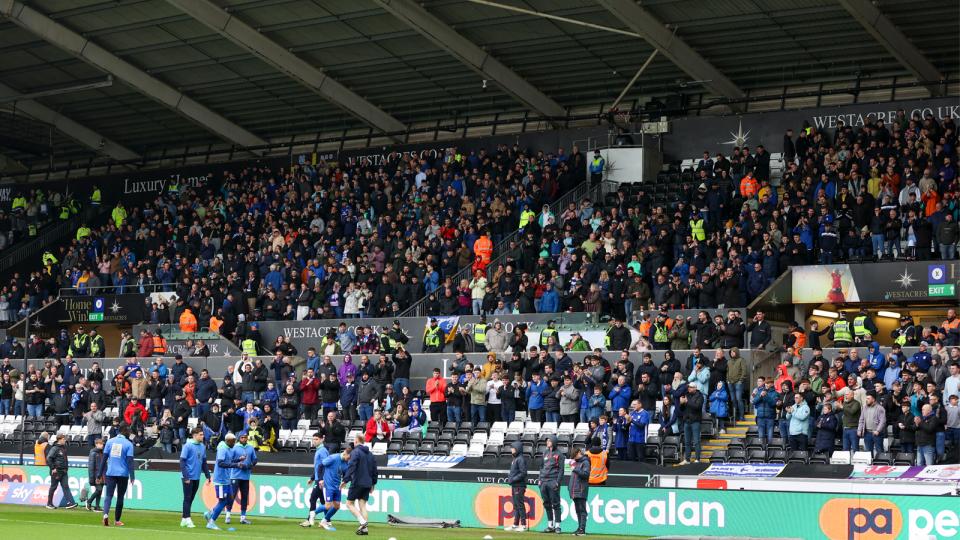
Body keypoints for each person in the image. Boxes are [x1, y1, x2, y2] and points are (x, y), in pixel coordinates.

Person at [204, 432, 245, 530]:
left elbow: (229, 462)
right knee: (222, 502)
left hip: (226, 479)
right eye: (233, 441)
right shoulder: (222, 449)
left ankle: (210, 513)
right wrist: (236, 465)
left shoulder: (229, 449)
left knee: (230, 499)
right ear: (228, 441)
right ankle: (211, 522)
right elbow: (221, 463)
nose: (235, 443)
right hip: (221, 480)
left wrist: (238, 460)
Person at [342, 434, 378, 536]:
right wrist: (373, 483)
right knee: (362, 506)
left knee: (349, 504)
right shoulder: (370, 454)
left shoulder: (355, 452)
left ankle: (362, 522)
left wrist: (345, 480)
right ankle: (364, 529)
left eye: (354, 440)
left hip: (357, 482)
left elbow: (352, 466)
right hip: (367, 483)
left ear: (356, 441)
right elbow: (374, 470)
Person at [100, 425, 135, 526]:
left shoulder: (110, 441)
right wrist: (132, 476)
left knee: (108, 496)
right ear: (126, 432)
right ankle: (117, 520)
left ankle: (105, 515)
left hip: (110, 473)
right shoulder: (128, 444)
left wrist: (99, 474)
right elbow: (130, 462)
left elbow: (104, 459)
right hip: (123, 474)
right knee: (120, 497)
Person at [179, 427, 210, 528]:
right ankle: (188, 519)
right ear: (195, 435)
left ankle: (184, 519)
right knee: (187, 498)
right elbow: (182, 461)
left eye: (202, 434)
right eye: (201, 434)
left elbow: (204, 462)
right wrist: (186, 476)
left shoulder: (202, 446)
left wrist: (207, 474)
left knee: (191, 499)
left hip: (197, 477)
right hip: (188, 477)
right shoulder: (188, 446)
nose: (202, 436)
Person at [317, 445, 352, 531]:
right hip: (328, 485)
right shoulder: (333, 458)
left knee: (337, 506)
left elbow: (345, 474)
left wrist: (344, 481)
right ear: (345, 453)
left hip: (337, 486)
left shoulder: (346, 463)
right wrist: (321, 479)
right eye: (349, 457)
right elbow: (320, 466)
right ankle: (312, 513)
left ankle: (324, 521)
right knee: (328, 506)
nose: (349, 460)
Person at [227, 431, 258, 525]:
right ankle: (228, 515)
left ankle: (243, 517)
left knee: (245, 497)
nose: (244, 439)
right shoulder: (235, 447)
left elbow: (255, 459)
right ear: (239, 438)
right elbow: (230, 461)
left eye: (245, 437)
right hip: (235, 476)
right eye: (242, 437)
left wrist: (250, 465)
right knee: (232, 496)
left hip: (246, 476)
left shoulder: (250, 448)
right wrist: (238, 464)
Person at [301, 432, 328, 528]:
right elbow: (318, 467)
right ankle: (327, 520)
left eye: (316, 439)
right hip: (318, 479)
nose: (314, 441)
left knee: (312, 498)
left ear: (322, 439)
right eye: (313, 439)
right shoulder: (319, 450)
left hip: (321, 480)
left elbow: (325, 465)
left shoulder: (323, 451)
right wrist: (312, 478)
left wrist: (321, 479)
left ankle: (310, 520)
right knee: (323, 502)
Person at [538, 435, 564, 534]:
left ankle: (557, 526)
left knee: (556, 504)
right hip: (543, 482)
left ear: (553, 441)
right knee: (547, 504)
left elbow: (561, 470)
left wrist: (557, 482)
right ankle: (550, 525)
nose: (547, 442)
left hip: (553, 481)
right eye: (547, 441)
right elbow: (541, 467)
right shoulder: (544, 452)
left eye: (549, 440)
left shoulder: (559, 454)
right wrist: (539, 480)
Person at [45, 433, 78, 509]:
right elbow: (48, 458)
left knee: (65, 486)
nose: (65, 440)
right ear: (59, 439)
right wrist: (53, 468)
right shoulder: (55, 448)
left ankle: (70, 503)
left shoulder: (63, 448)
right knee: (53, 487)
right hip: (56, 471)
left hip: (63, 471)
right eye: (63, 439)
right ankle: (49, 503)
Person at [505, 440, 528, 532]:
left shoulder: (520, 459)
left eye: (513, 448)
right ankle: (515, 524)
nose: (511, 450)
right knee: (516, 505)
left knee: (520, 505)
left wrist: (512, 479)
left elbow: (523, 473)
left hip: (519, 485)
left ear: (517, 449)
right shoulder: (516, 459)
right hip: (515, 485)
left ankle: (523, 525)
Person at [568, 447, 590, 536]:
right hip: (575, 490)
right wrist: (569, 488)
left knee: (582, 510)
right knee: (578, 511)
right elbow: (573, 478)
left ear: (579, 453)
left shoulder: (585, 462)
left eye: (575, 456)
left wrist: (575, 469)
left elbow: (586, 475)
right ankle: (579, 528)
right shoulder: (576, 463)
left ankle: (582, 529)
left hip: (581, 489)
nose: (574, 458)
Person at [85, 437, 105, 512]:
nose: (102, 445)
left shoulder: (102, 453)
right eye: (100, 444)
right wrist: (92, 478)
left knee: (100, 490)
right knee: (99, 489)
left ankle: (97, 506)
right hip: (97, 475)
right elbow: (91, 466)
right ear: (96, 444)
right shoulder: (93, 453)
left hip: (102, 475)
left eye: (102, 444)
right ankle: (89, 501)